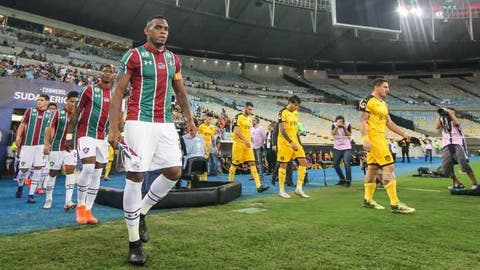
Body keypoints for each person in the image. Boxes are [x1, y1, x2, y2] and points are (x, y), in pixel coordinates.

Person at [108, 15, 196, 266]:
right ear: (146, 30)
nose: (163, 32)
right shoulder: (133, 56)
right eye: (158, 27)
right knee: (135, 176)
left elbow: (180, 92)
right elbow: (118, 93)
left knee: (174, 171)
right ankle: (134, 243)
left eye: (166, 28)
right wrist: (114, 128)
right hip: (138, 121)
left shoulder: (173, 60)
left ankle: (143, 211)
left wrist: (189, 118)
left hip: (165, 123)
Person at [66, 64, 115, 224]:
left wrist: (118, 133)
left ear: (114, 75)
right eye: (105, 71)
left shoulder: (115, 94)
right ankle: (80, 206)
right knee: (87, 167)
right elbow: (77, 111)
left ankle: (88, 209)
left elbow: (117, 117)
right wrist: (69, 134)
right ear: (100, 73)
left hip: (103, 138)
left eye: (110, 72)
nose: (107, 74)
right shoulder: (89, 90)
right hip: (86, 134)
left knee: (97, 174)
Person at [359, 78, 415, 214]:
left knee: (372, 169)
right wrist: (365, 139)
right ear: (377, 87)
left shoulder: (383, 104)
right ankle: (395, 204)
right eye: (385, 87)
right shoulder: (366, 101)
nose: (388, 90)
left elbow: (389, 123)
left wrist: (403, 134)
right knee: (389, 167)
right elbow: (362, 120)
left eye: (388, 87)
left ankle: (367, 200)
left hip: (380, 139)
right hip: (374, 139)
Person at [42, 91, 79, 210]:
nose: (73, 104)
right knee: (53, 173)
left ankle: (68, 201)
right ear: (66, 101)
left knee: (70, 171)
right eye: (71, 101)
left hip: (71, 149)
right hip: (57, 147)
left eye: (75, 102)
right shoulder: (59, 113)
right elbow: (49, 128)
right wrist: (47, 144)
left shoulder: (79, 115)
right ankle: (48, 200)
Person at [15, 94, 52, 203]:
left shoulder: (50, 114)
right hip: (27, 145)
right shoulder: (30, 111)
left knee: (38, 169)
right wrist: (18, 136)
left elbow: (49, 130)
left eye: (41, 100)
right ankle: (20, 185)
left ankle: (31, 194)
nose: (39, 102)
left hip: (40, 146)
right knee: (23, 170)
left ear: (47, 102)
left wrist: (47, 144)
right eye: (38, 100)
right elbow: (22, 124)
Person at [228, 102, 269, 193]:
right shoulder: (238, 117)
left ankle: (259, 186)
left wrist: (249, 140)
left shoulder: (249, 120)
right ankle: (229, 184)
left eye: (251, 110)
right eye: (249, 109)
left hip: (248, 145)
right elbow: (236, 131)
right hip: (239, 144)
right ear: (245, 108)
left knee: (252, 163)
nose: (250, 111)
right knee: (235, 164)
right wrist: (245, 140)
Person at [435, 108, 478, 190]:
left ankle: (475, 184)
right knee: (446, 168)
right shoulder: (443, 120)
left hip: (458, 144)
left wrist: (451, 113)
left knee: (463, 164)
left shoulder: (454, 119)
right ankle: (458, 183)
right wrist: (440, 115)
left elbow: (456, 123)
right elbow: (437, 126)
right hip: (446, 145)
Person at [276, 95, 309, 199]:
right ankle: (281, 190)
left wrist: (297, 140)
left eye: (298, 105)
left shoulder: (296, 113)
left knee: (303, 162)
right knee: (283, 165)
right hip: (284, 143)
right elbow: (282, 130)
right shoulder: (282, 113)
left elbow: (294, 129)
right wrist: (291, 142)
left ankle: (298, 188)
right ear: (290, 102)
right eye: (296, 105)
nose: (297, 107)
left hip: (295, 142)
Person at [331, 115, 352, 187]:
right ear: (336, 122)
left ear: (344, 122)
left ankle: (348, 180)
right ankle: (342, 179)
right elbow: (333, 133)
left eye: (341, 122)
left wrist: (344, 127)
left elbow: (349, 134)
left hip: (346, 147)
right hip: (337, 147)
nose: (340, 123)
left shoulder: (347, 125)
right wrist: (337, 126)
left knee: (346, 163)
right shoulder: (334, 125)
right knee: (335, 164)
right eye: (339, 122)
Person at [197, 112, 215, 180]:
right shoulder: (201, 126)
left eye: (211, 119)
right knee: (200, 163)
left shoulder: (212, 127)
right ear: (206, 118)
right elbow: (198, 137)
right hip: (201, 148)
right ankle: (198, 178)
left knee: (206, 163)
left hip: (207, 148)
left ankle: (204, 179)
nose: (210, 120)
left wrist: (215, 146)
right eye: (209, 119)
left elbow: (212, 138)